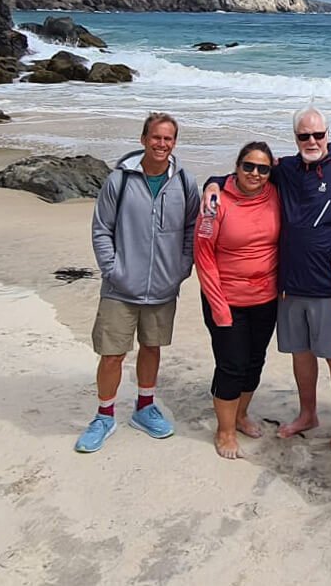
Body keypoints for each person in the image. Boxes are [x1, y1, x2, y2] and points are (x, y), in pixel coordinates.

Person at [203, 106, 331, 451]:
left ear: (328, 133)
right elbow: (244, 175)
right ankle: (307, 413)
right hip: (289, 287)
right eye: (304, 135)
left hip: (330, 286)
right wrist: (213, 183)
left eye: (318, 135)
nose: (311, 141)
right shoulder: (286, 170)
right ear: (295, 138)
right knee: (301, 354)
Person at [76, 112, 199, 453]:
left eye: (168, 139)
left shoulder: (185, 181)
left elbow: (192, 228)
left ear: (174, 143)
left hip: (163, 285)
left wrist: (181, 268)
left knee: (152, 347)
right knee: (112, 354)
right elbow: (101, 228)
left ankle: (145, 408)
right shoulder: (120, 179)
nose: (162, 144)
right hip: (120, 286)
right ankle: (104, 415)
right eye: (156, 137)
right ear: (144, 139)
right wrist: (112, 269)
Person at [194, 142, 281, 460]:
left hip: (266, 298)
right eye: (248, 166)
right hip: (226, 298)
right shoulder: (215, 199)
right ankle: (225, 430)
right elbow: (202, 254)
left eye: (263, 168)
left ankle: (241, 415)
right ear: (237, 166)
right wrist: (218, 305)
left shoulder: (275, 191)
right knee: (231, 366)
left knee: (254, 362)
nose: (255, 173)